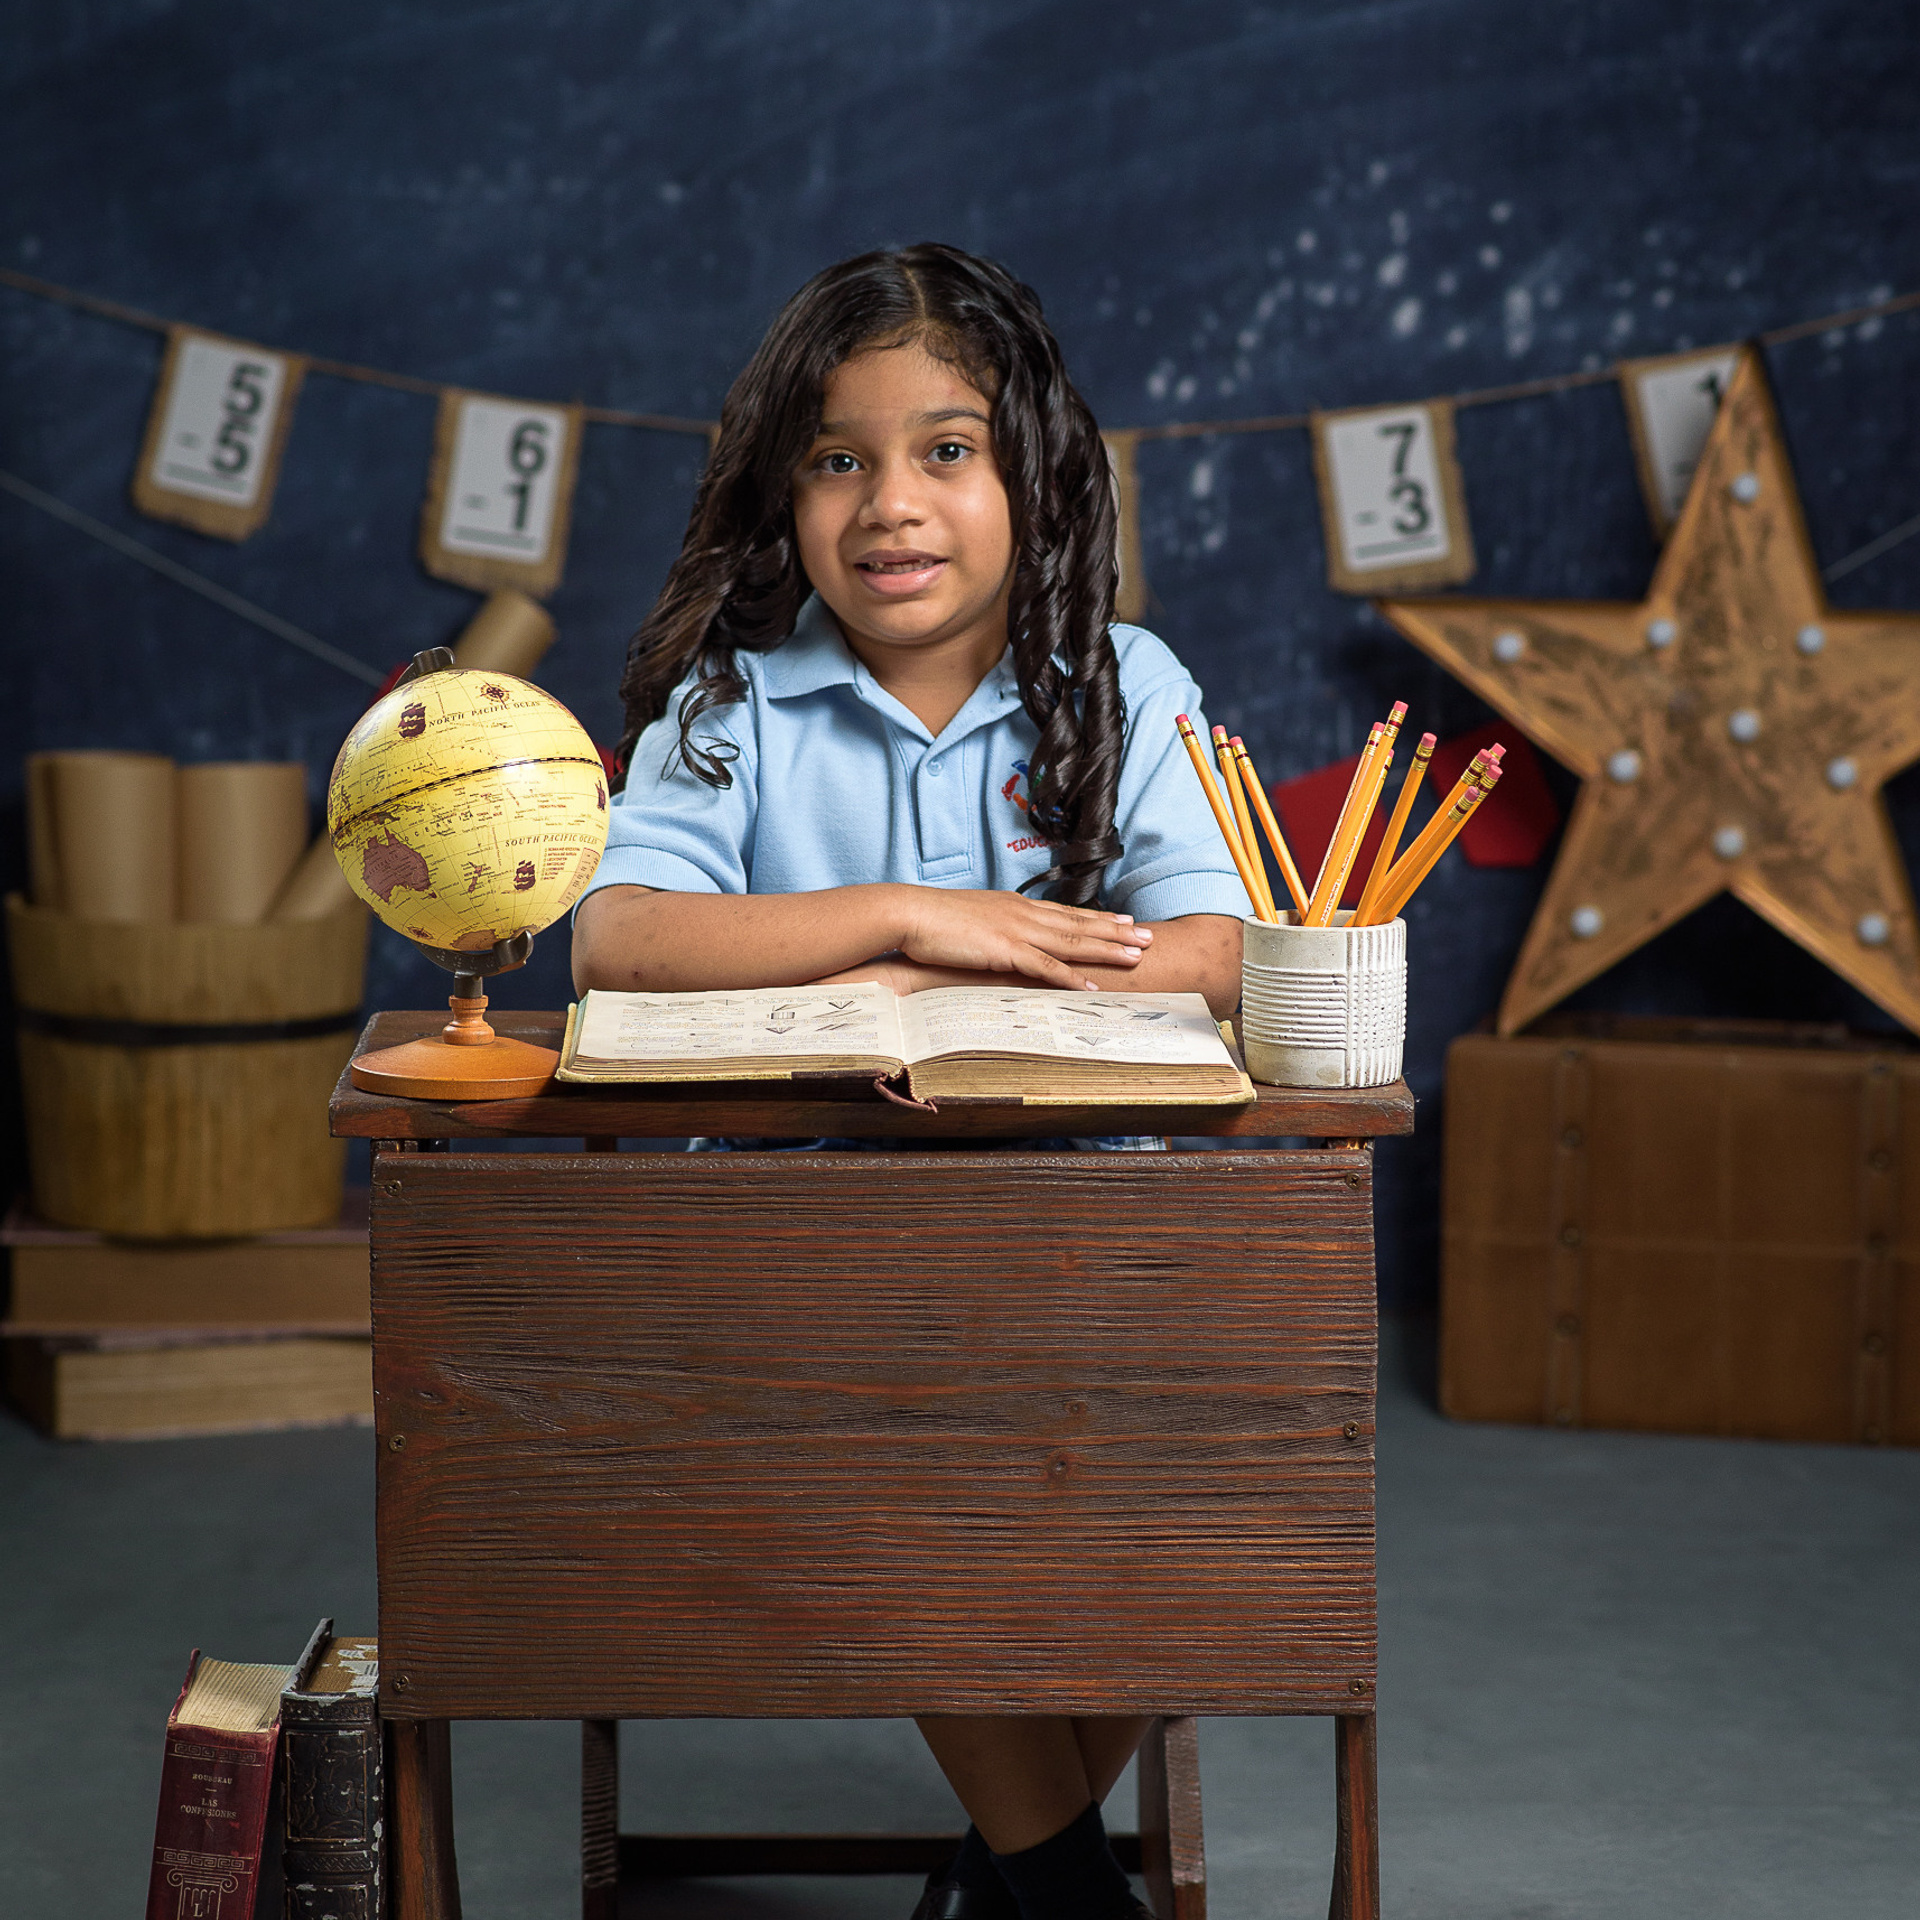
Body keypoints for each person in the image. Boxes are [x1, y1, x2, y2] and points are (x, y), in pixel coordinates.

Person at [573, 243, 1249, 1920]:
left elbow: (1224, 948)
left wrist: (963, 978)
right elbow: (617, 939)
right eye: (837, 459)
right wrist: (895, 920)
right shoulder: (736, 703)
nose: (892, 504)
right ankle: (1059, 1888)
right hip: (811, 1267)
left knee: (1226, 1500)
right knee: (907, 1480)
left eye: (947, 450)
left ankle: (1011, 1863)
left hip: (1100, 1246)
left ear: (1031, 472)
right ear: (783, 493)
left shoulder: (1122, 677)